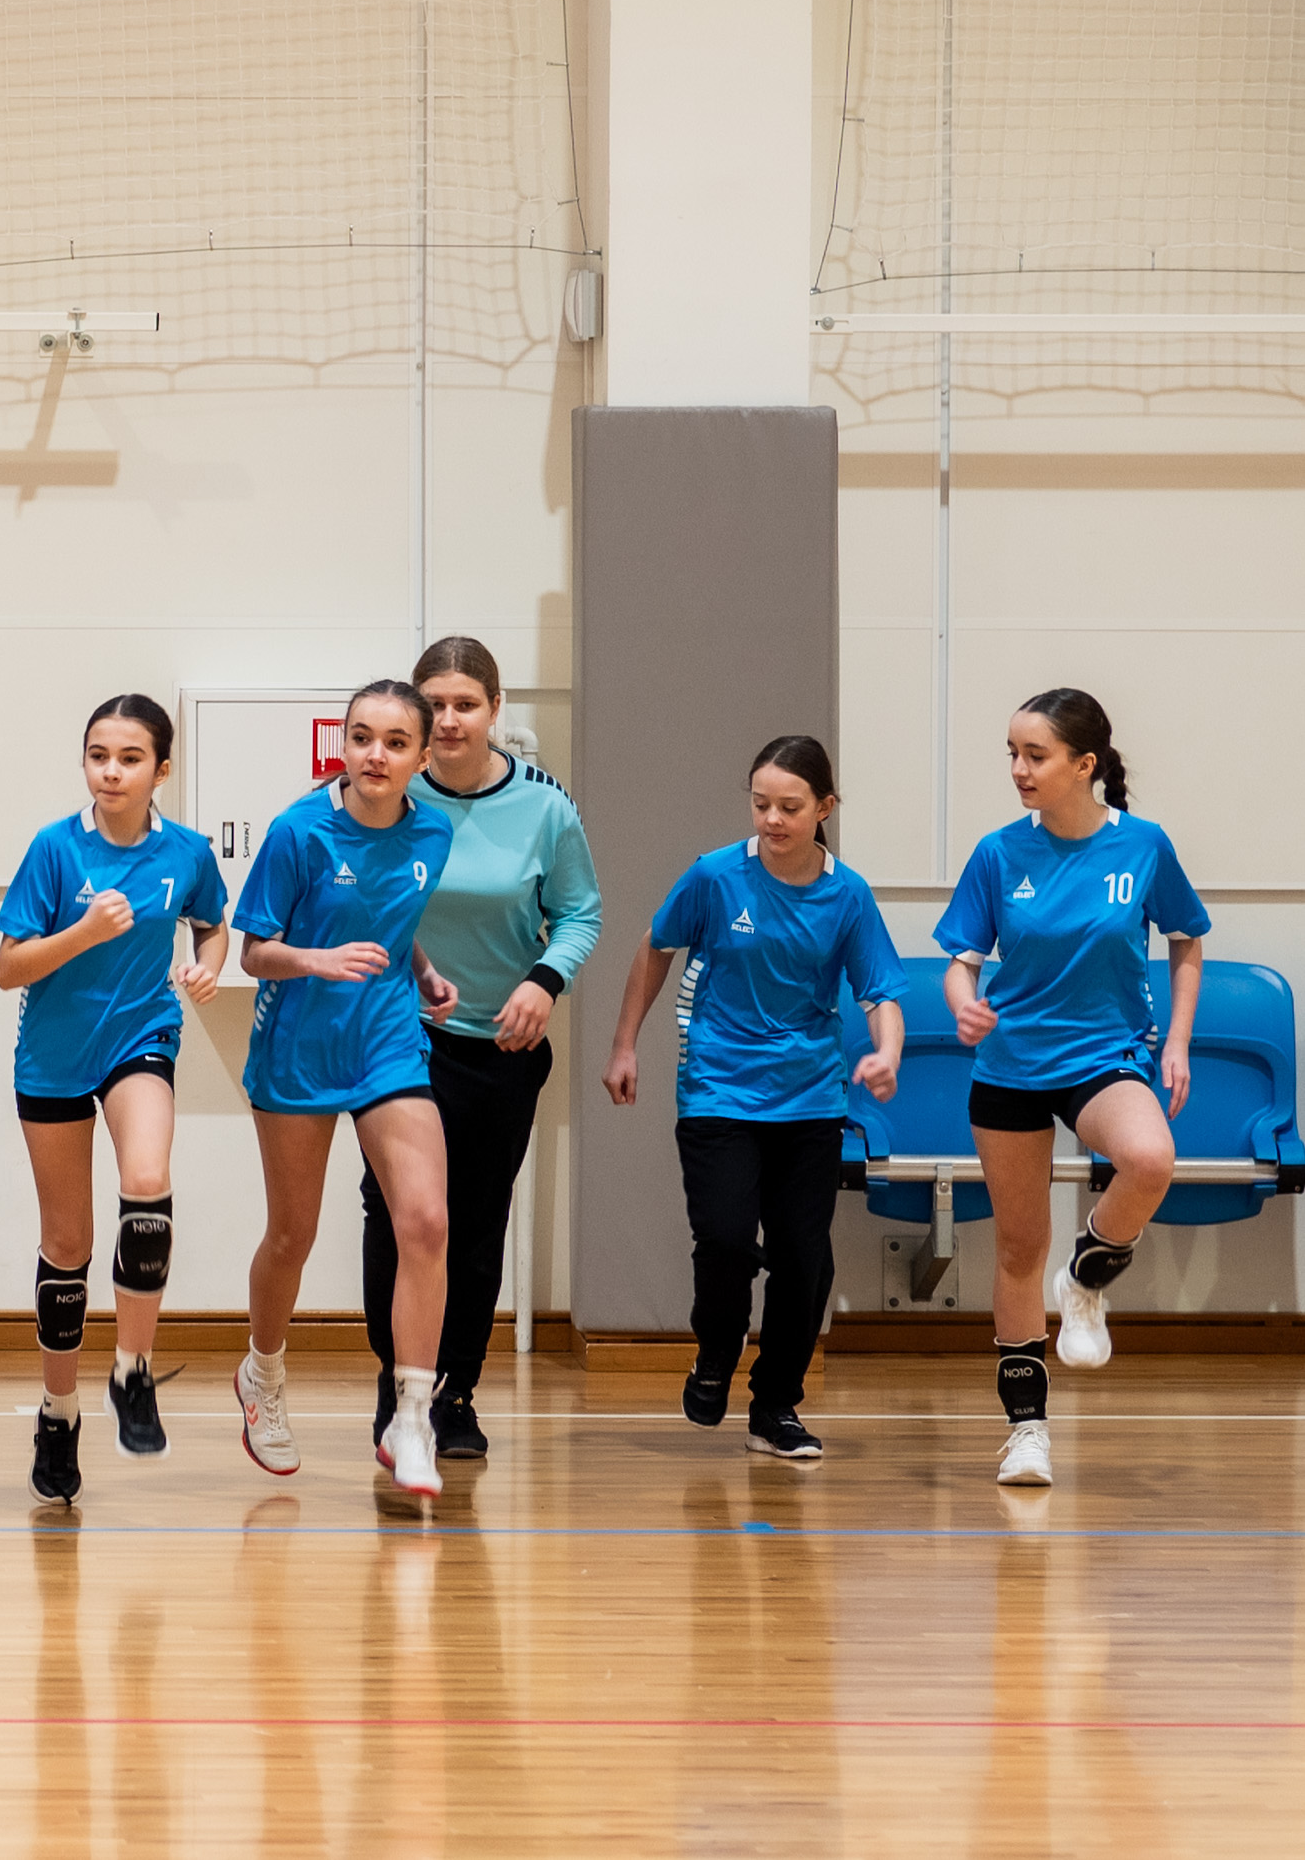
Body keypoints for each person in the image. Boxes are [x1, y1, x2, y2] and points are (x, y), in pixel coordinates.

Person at [931, 688, 1208, 1489]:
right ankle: (1026, 1430)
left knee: (1150, 1157)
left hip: (1103, 1055)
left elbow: (1187, 940)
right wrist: (963, 1003)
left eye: (1036, 754)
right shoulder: (997, 853)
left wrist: (1177, 1042)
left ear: (1085, 764)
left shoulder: (1143, 845)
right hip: (1011, 1064)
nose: (1019, 769)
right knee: (1019, 1247)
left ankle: (1087, 1278)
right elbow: (961, 960)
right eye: (1012, 754)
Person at [601, 736, 905, 1462]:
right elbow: (655, 946)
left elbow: (881, 990)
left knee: (805, 1258)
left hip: (809, 1097)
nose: (772, 819)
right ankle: (716, 1351)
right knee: (727, 1238)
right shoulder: (714, 876)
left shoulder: (848, 894)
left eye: (790, 807)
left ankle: (775, 1404)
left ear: (825, 808)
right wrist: (624, 1045)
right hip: (719, 1088)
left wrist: (887, 1052)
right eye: (761, 803)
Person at [0, 695, 226, 1505]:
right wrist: (85, 931)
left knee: (148, 1179)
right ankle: (58, 1413)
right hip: (53, 1056)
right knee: (68, 1243)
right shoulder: (55, 849)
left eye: (130, 758)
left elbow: (211, 922)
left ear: (162, 769)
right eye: (98, 755)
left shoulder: (187, 851)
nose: (111, 771)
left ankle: (132, 1369)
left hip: (141, 1039)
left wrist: (207, 965)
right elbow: (9, 967)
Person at [232, 678, 462, 1501]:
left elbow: (393, 917)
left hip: (389, 1044)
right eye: (361, 736)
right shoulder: (298, 831)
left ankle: (411, 1418)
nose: (375, 754)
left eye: (396, 742)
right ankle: (262, 1373)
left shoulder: (432, 830)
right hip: (298, 1046)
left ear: (422, 756)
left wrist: (424, 971)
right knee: (291, 1235)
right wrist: (318, 960)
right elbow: (254, 951)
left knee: (426, 1221)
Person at [375, 636, 600, 1461]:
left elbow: (581, 913)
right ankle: (396, 1381)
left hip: (500, 1047)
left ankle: (454, 1391)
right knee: (399, 1216)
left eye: (465, 704)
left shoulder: (544, 806)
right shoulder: (387, 797)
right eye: (433, 704)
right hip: (399, 1040)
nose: (448, 719)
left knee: (475, 1224)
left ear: (495, 710)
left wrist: (544, 980)